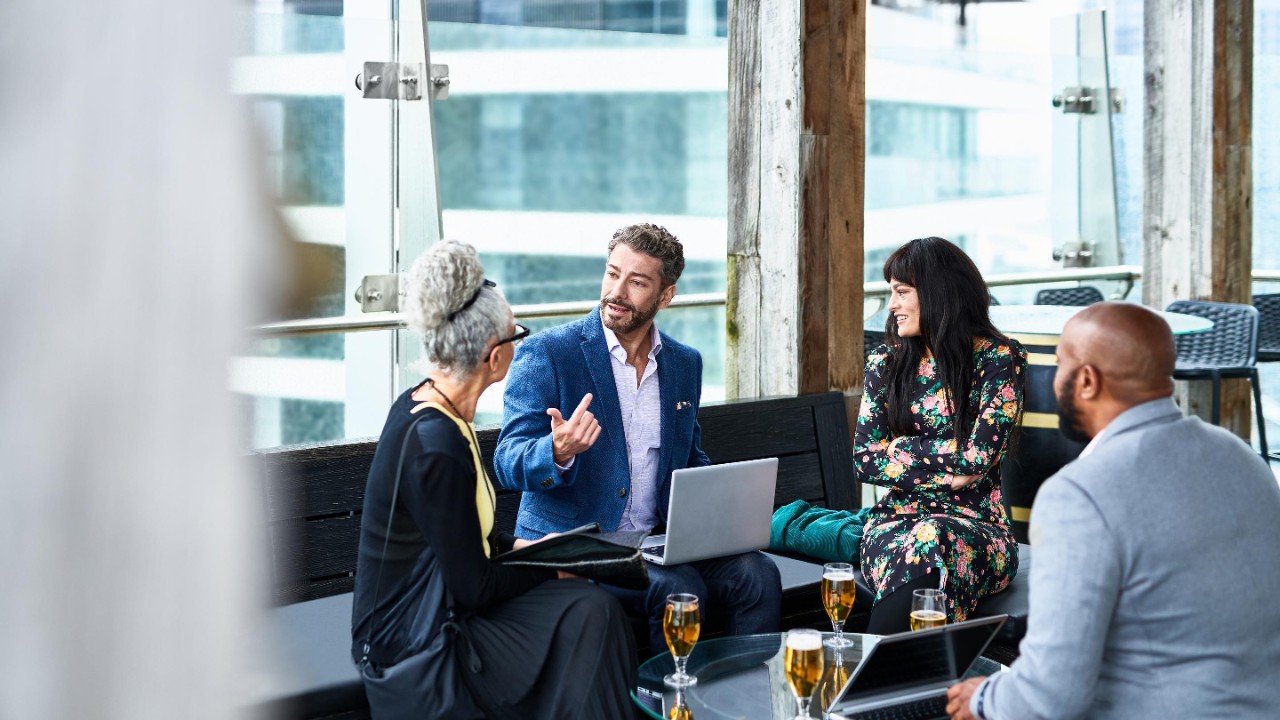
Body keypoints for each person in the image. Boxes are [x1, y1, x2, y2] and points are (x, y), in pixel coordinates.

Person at [946, 302, 1280, 720]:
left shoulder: (1080, 495)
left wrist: (982, 698)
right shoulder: (1242, 457)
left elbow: (1048, 698)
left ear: (1086, 380)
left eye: (1060, 365)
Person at [349, 241, 635, 720]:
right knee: (590, 613)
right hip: (412, 643)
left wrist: (541, 548)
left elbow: (466, 540)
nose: (519, 344)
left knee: (586, 606)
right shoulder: (435, 444)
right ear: (493, 356)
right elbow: (473, 587)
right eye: (515, 336)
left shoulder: (431, 407)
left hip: (441, 608)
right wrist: (549, 567)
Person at [494, 223, 782, 654]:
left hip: (658, 541)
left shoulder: (684, 364)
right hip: (574, 546)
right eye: (612, 274)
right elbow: (506, 461)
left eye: (637, 282)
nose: (617, 291)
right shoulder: (551, 352)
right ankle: (668, 706)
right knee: (679, 590)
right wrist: (556, 451)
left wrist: (721, 503)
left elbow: (689, 457)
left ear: (665, 296)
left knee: (758, 575)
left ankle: (746, 700)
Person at [855, 237, 1024, 633]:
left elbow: (977, 459)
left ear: (937, 293)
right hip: (894, 524)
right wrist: (949, 461)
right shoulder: (886, 363)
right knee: (923, 541)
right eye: (891, 292)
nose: (892, 305)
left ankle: (876, 678)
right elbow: (864, 458)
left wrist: (899, 449)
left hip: (979, 528)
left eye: (902, 292)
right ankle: (910, 681)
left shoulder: (998, 360)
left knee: (934, 536)